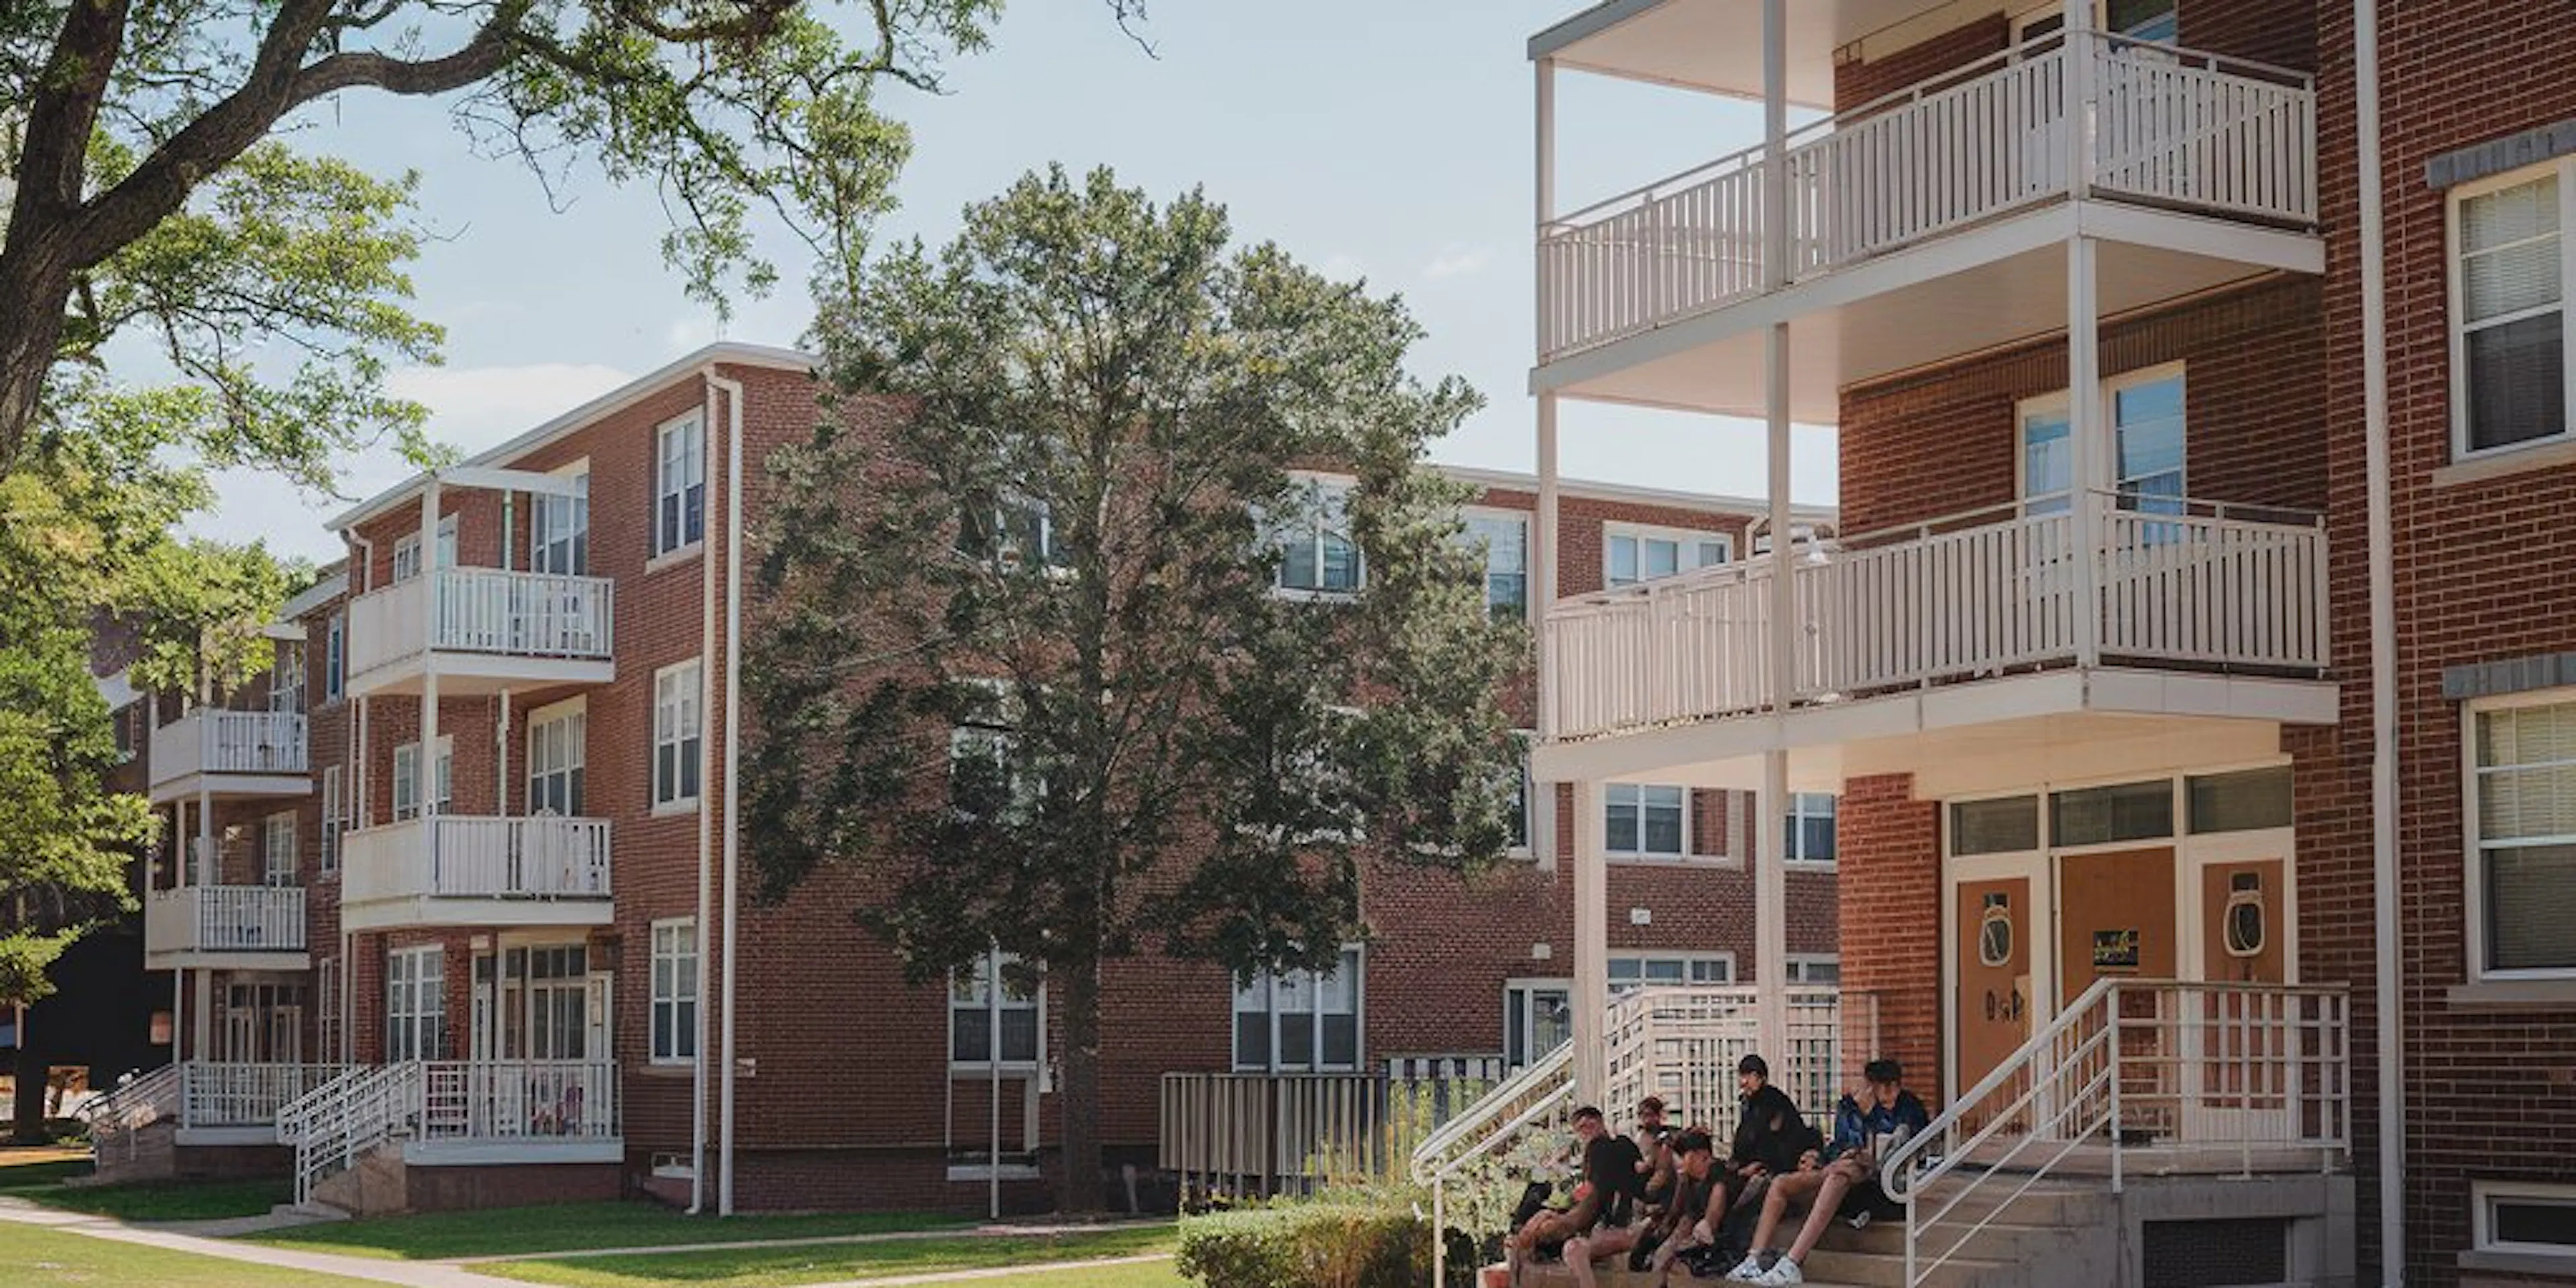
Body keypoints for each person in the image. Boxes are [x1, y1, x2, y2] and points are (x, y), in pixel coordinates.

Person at [1727, 1058, 1931, 1285]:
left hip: (1883, 1187)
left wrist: (1864, 1159)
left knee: (1839, 1176)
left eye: (1890, 1088)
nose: (1879, 1094)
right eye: (1873, 1087)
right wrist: (1819, 1158)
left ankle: (1793, 1262)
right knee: (1782, 1183)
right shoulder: (1849, 1108)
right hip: (1845, 1176)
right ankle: (1754, 1258)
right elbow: (1839, 1146)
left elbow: (1911, 1157)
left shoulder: (1909, 1109)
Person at [1505, 1105, 1644, 1260]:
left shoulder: (1598, 1147)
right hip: (1608, 1211)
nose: (1586, 1132)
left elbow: (1591, 1195)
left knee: (1536, 1198)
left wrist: (1567, 1212)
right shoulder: (1621, 1144)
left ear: (1600, 1123)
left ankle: (1517, 1234)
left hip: (1599, 1217)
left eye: (1589, 1125)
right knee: (1539, 1198)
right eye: (1582, 1129)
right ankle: (1521, 1234)